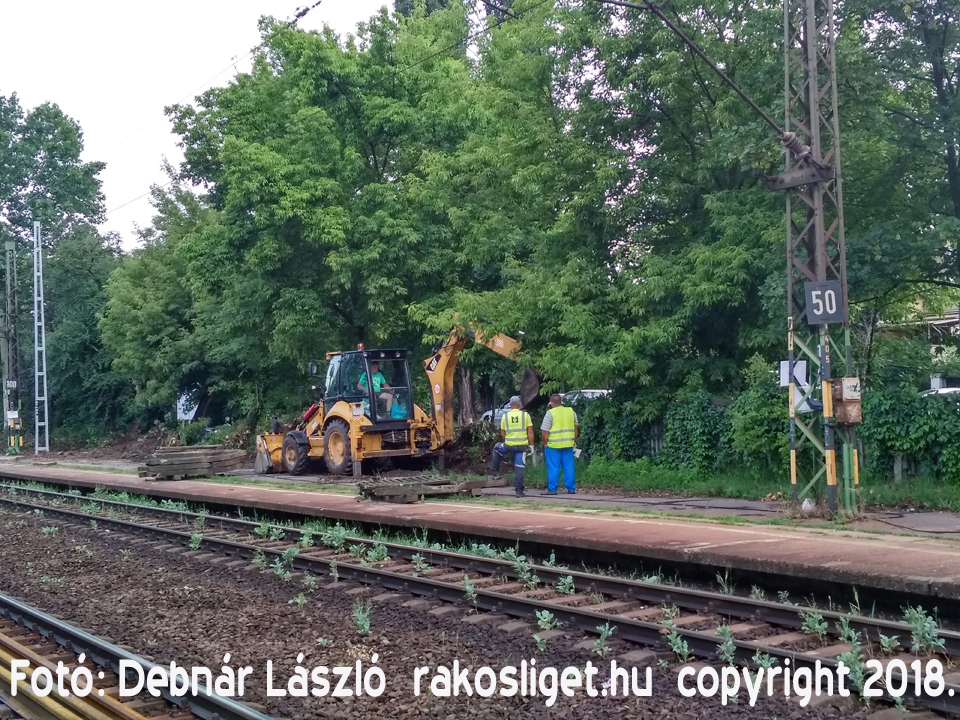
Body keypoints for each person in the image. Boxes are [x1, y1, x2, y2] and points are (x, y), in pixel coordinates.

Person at [490, 396, 534, 498]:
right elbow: (530, 432)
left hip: (508, 445)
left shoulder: (505, 416)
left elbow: (503, 433)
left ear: (510, 404)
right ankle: (519, 492)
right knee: (519, 467)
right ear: (519, 404)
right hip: (522, 447)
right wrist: (531, 446)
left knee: (497, 448)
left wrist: (507, 441)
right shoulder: (525, 415)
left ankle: (495, 473)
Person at [541, 393, 578, 494]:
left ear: (552, 403)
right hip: (568, 444)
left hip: (553, 445)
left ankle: (552, 489)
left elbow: (545, 431)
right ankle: (571, 488)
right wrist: (574, 441)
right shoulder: (571, 411)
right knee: (568, 466)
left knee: (553, 467)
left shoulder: (550, 413)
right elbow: (576, 429)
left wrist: (545, 443)